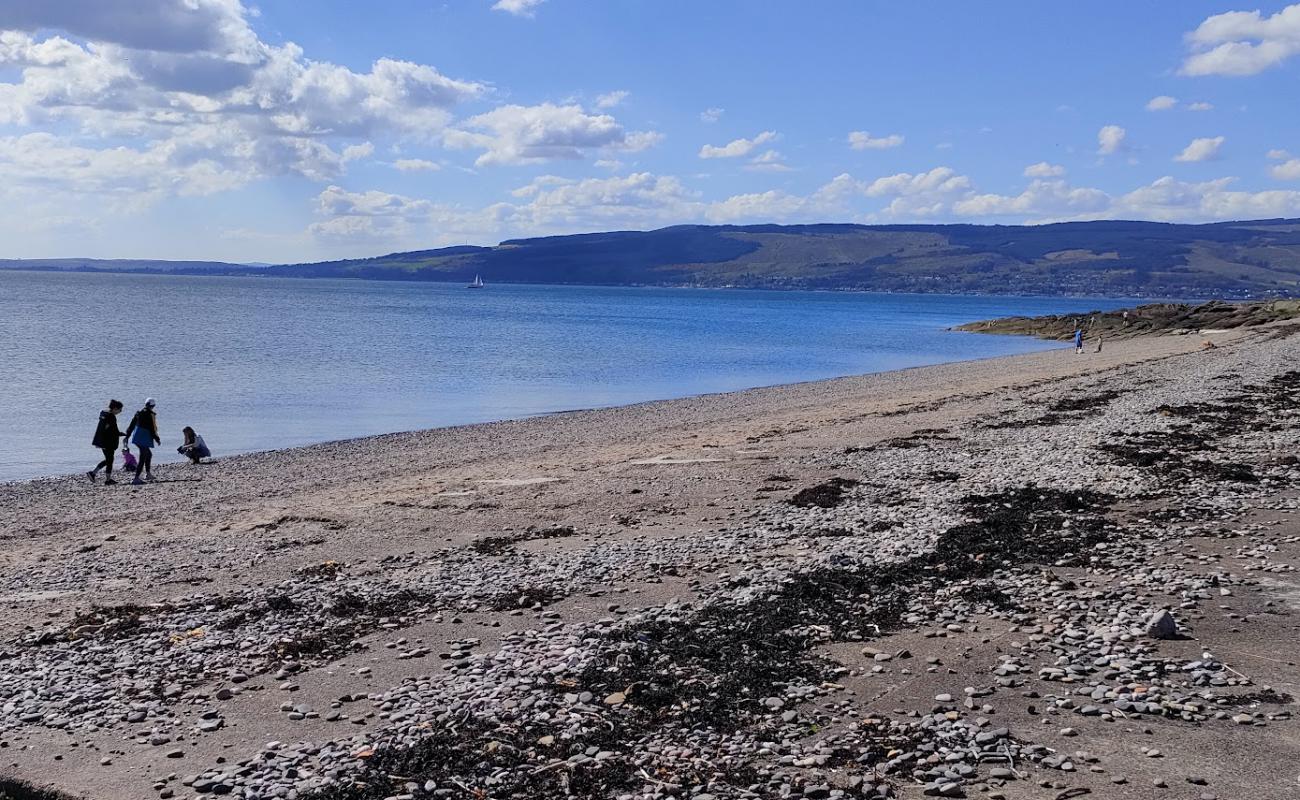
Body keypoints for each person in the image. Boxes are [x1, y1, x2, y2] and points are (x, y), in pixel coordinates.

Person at [124, 398, 161, 485]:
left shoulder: (138, 413)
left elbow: (131, 425)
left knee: (148, 454)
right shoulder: (150, 414)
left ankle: (148, 474)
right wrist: (157, 439)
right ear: (153, 406)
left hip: (137, 437)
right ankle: (136, 478)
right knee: (143, 457)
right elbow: (152, 429)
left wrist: (127, 436)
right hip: (144, 438)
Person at [88, 400, 125, 484]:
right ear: (115, 408)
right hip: (107, 442)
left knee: (109, 460)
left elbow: (107, 428)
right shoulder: (111, 416)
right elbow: (112, 430)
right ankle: (106, 479)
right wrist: (120, 434)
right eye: (120, 410)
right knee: (110, 460)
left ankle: (94, 473)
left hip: (101, 441)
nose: (120, 412)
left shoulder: (104, 414)